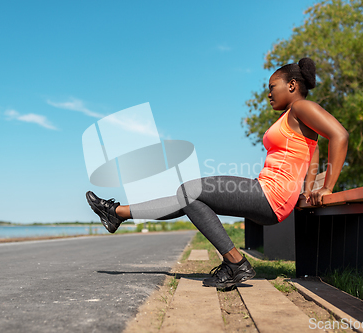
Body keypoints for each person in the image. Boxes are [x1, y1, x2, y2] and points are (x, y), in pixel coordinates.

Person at [86, 57, 349, 289]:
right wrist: (305, 191)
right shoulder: (292, 117)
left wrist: (327, 187)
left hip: (270, 195)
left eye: (272, 87)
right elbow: (311, 154)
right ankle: (117, 213)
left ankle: (235, 262)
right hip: (267, 193)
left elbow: (339, 135)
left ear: (291, 85)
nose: (268, 94)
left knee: (188, 191)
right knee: (189, 198)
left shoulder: (302, 107)